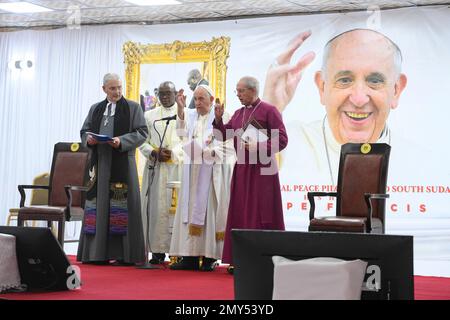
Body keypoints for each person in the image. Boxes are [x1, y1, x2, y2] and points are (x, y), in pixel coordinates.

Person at [262, 29, 408, 186]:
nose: (359, 99)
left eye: (374, 81)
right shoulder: (288, 142)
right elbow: (241, 185)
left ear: (396, 90)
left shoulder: (423, 163)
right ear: (322, 87)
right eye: (345, 80)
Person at [213, 76, 288, 273]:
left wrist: (260, 145)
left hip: (263, 170)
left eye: (241, 91)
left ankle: (264, 259)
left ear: (253, 90)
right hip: (242, 170)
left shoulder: (269, 111)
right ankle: (240, 259)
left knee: (261, 212)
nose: (237, 95)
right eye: (236, 91)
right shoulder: (238, 114)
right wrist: (219, 120)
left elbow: (282, 139)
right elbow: (224, 135)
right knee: (240, 212)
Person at [77, 73, 148, 266]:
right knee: (98, 207)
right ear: (104, 90)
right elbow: (84, 131)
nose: (117, 92)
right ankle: (96, 253)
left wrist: (121, 141)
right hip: (99, 165)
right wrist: (89, 140)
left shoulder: (133, 108)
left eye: (119, 87)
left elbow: (142, 133)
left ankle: (125, 254)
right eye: (112, 88)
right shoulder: (96, 109)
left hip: (123, 164)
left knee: (122, 205)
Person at [169, 84, 235, 271]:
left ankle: (209, 258)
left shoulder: (224, 116)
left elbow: (230, 144)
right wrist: (181, 108)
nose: (197, 103)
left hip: (213, 171)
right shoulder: (190, 115)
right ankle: (189, 256)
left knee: (210, 212)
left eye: (201, 99)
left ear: (212, 100)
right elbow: (181, 134)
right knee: (190, 211)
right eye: (195, 99)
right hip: (193, 171)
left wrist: (210, 152)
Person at [139, 81, 183, 265]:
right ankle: (157, 251)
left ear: (175, 94)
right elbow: (142, 140)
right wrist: (153, 152)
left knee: (177, 210)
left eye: (168, 93)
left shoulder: (184, 115)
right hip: (156, 167)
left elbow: (188, 138)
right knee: (156, 209)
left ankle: (178, 251)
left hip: (176, 168)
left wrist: (173, 153)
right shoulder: (149, 116)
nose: (165, 97)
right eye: (162, 94)